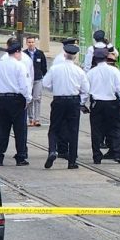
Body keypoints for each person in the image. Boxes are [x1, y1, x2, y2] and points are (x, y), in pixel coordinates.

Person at [42, 42, 89, 170]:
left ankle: (52, 150)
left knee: (54, 128)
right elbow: (86, 89)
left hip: (58, 100)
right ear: (75, 56)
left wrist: (55, 88)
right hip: (73, 101)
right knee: (73, 130)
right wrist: (81, 102)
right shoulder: (79, 71)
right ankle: (72, 161)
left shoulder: (55, 69)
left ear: (64, 54)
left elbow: (45, 84)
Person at [0, 37, 33, 165]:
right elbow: (24, 85)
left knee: (2, 128)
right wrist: (28, 99)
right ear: (17, 52)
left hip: (2, 99)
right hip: (17, 99)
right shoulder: (20, 66)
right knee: (20, 129)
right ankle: (20, 156)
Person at [86, 47, 120, 165]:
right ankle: (117, 154)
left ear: (95, 59)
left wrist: (82, 104)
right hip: (112, 103)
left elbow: (85, 89)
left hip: (97, 103)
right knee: (116, 128)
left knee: (96, 130)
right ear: (106, 58)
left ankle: (96, 156)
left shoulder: (91, 72)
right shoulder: (114, 71)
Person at [24, 35, 48, 127]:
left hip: (38, 79)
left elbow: (44, 67)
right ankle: (30, 119)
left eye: (32, 42)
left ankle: (37, 119)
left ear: (35, 43)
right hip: (28, 80)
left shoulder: (40, 53)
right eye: (29, 42)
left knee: (37, 98)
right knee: (29, 99)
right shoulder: (24, 54)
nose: (31, 44)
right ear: (26, 43)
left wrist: (44, 77)